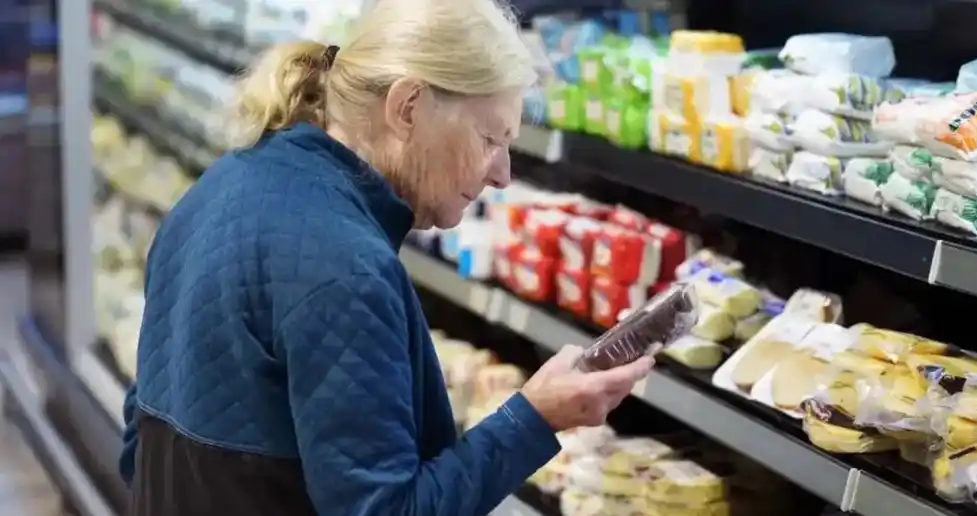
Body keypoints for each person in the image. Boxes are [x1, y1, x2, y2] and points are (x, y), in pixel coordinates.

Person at [120, 0, 654, 514]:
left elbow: (140, 442)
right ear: (407, 107)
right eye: (491, 138)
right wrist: (535, 417)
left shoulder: (215, 189)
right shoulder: (345, 269)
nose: (502, 174)